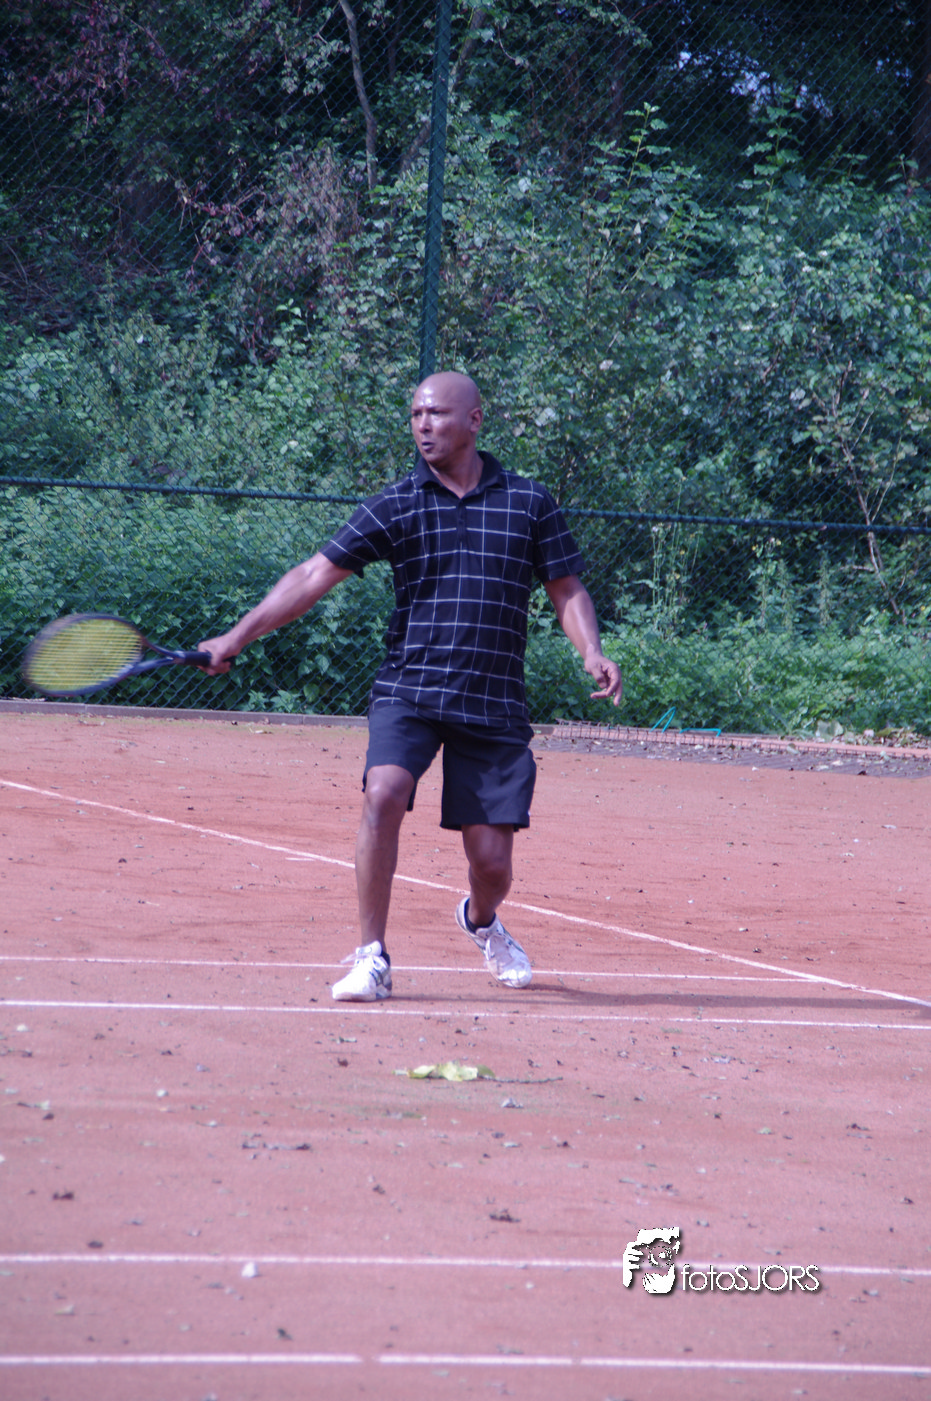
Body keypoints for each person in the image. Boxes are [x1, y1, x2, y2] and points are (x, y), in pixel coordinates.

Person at [199, 371, 622, 1002]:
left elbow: (566, 588)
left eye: (437, 414)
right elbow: (313, 574)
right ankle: (372, 957)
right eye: (417, 415)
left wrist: (591, 650)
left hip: (492, 700)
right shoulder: (396, 504)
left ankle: (480, 920)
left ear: (475, 419)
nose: (424, 425)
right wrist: (236, 637)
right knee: (384, 792)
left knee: (492, 865)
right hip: (410, 688)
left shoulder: (529, 502)